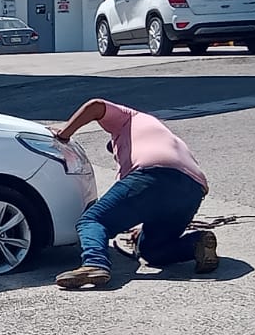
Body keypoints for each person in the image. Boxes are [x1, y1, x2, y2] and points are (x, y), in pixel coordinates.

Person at [52, 99, 219, 290]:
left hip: (152, 174)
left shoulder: (129, 118)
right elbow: (149, 200)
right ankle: (196, 242)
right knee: (153, 250)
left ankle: (94, 264)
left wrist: (63, 135)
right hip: (193, 188)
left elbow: (96, 105)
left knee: (92, 221)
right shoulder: (166, 138)